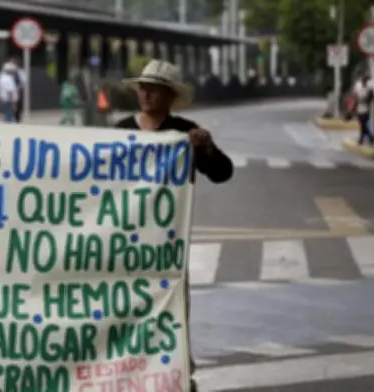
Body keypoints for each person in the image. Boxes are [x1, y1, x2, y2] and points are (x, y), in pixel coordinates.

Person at [115, 59, 233, 392]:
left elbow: (223, 172)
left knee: (172, 311)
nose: (146, 95)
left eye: (154, 90)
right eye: (143, 89)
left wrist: (206, 148)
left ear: (169, 96)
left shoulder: (184, 133)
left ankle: (176, 374)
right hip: (123, 241)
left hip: (168, 247)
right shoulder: (121, 131)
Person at [352, 73, 374, 145]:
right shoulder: (358, 85)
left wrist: (366, 100)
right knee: (362, 123)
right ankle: (370, 137)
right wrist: (354, 106)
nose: (363, 82)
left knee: (363, 124)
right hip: (359, 107)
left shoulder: (369, 87)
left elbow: (371, 96)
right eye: (363, 80)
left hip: (366, 108)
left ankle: (363, 138)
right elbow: (355, 95)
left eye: (365, 80)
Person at [9, 56, 26, 123]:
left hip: (18, 90)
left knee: (18, 105)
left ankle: (17, 118)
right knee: (11, 104)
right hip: (11, 91)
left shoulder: (20, 71)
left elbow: (24, 82)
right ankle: (11, 117)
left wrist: (20, 87)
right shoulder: (8, 72)